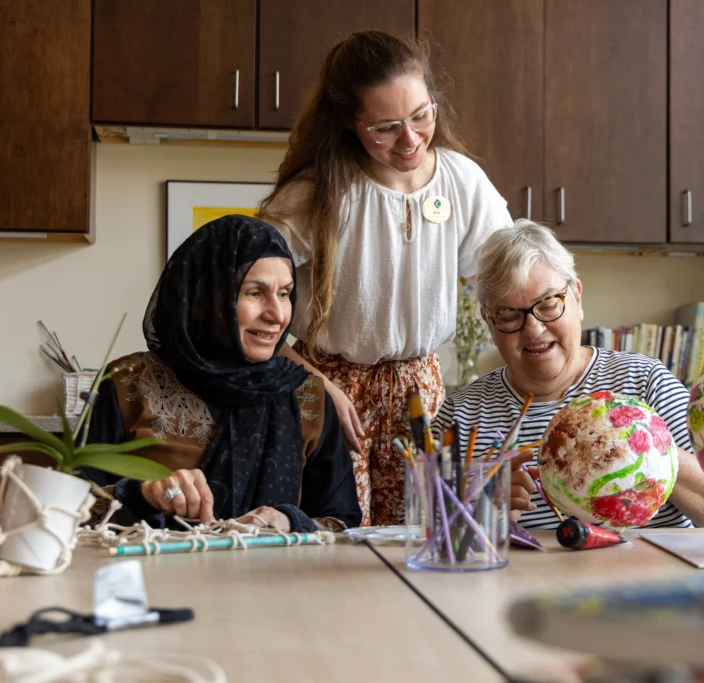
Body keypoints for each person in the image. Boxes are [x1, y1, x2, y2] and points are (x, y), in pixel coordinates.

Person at [259, 30, 512, 526]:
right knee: (334, 537)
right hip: (324, 385)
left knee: (419, 537)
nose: (412, 139)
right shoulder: (316, 194)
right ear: (350, 123)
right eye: (386, 127)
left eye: (422, 115)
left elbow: (510, 275)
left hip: (420, 390)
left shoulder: (461, 181)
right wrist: (310, 381)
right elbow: (239, 303)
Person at [432, 220, 704, 529]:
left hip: (649, 577)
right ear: (488, 322)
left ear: (577, 297)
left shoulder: (647, 383)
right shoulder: (460, 416)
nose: (534, 328)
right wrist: (474, 519)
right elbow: (420, 539)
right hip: (524, 577)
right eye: (509, 315)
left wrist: (645, 449)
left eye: (549, 303)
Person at [84, 215, 362, 533]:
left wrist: (288, 520)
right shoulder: (128, 383)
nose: (277, 314)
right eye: (255, 293)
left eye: (284, 294)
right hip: (155, 579)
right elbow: (69, 510)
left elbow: (342, 523)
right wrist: (144, 494)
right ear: (204, 299)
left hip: (276, 580)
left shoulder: (307, 396)